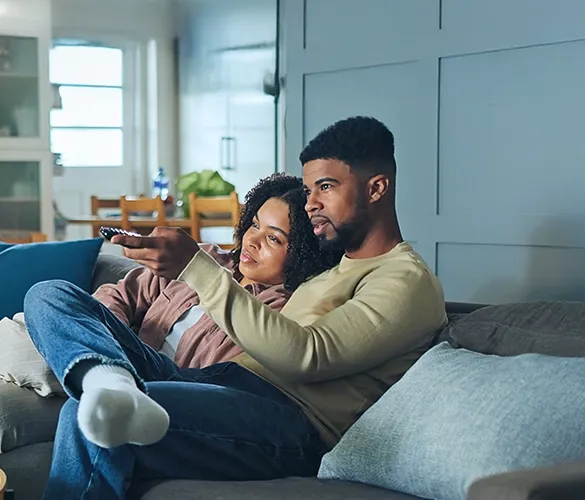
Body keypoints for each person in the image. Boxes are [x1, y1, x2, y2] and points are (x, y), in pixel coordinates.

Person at [22, 116, 447, 499]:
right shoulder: (332, 268)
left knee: (85, 417)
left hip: (289, 422)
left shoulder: (405, 280)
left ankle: (111, 392)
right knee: (50, 295)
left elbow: (309, 355)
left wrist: (195, 267)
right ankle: (109, 380)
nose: (311, 203)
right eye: (309, 190)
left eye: (326, 187)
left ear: (376, 188)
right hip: (220, 383)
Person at [92, 173, 342, 369]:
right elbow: (116, 296)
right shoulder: (204, 256)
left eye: (273, 238)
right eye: (255, 225)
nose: (252, 241)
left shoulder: (275, 311)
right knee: (66, 296)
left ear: (303, 255)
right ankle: (102, 371)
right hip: (118, 354)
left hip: (164, 385)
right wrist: (111, 339)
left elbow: (216, 376)